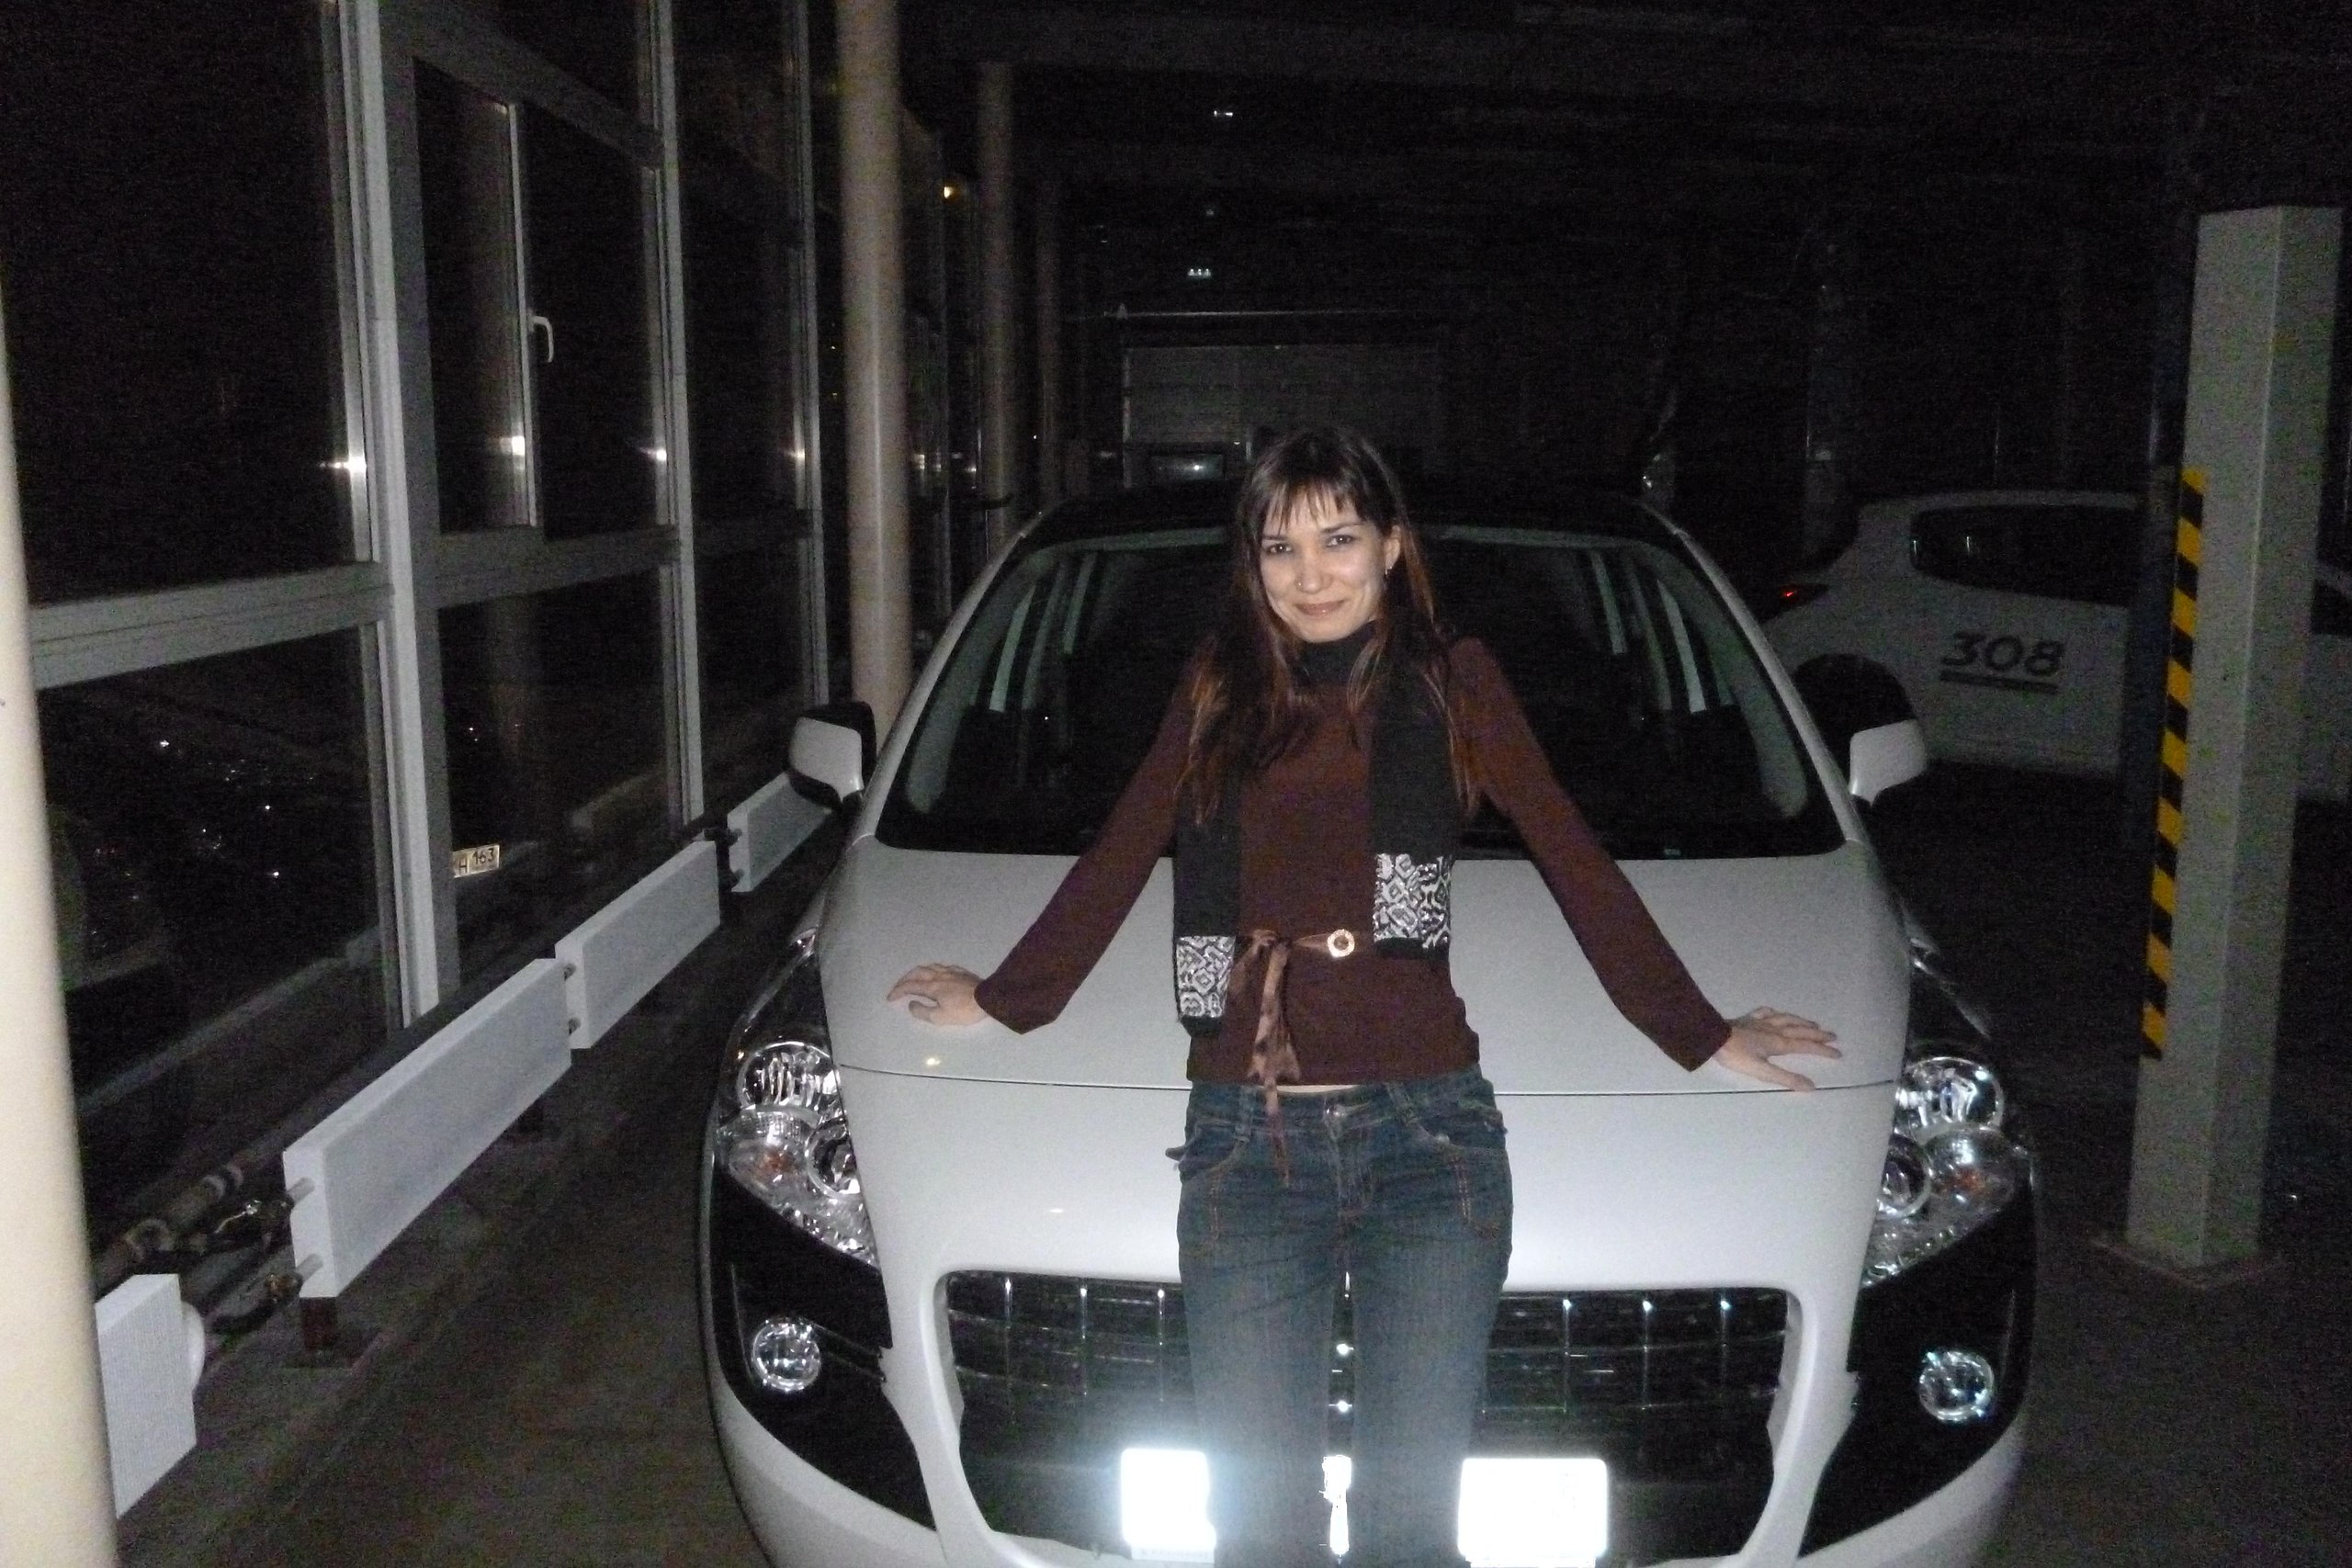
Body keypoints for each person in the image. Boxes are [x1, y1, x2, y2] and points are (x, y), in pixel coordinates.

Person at [889, 427, 1838, 1568]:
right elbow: (1126, 843)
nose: (1310, 575)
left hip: (1428, 1141)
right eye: (1279, 547)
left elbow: (1568, 848)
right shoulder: (1217, 687)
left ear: (1390, 546)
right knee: (1257, 1532)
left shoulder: (1450, 680)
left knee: (1408, 1531)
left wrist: (1696, 1029)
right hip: (1246, 1143)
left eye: (1337, 539)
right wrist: (1007, 998)